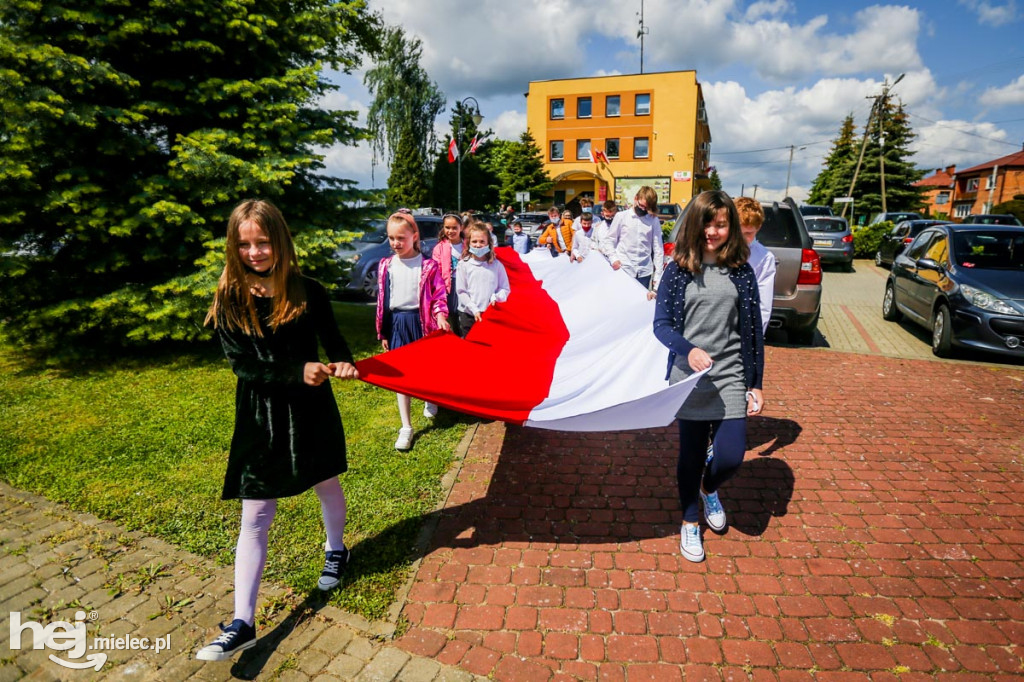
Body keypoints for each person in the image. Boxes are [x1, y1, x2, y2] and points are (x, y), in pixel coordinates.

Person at [198, 199, 360, 661]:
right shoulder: (229, 296)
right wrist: (295, 372)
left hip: (311, 413)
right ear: (234, 246)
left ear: (280, 240)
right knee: (254, 515)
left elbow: (336, 344)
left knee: (325, 482)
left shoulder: (309, 290)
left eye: (263, 241)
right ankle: (242, 622)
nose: (254, 252)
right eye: (245, 244)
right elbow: (242, 365)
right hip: (260, 418)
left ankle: (336, 551)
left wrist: (343, 364)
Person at [652, 190, 765, 563]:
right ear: (695, 224)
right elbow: (662, 325)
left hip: (731, 373)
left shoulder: (741, 271)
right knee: (691, 452)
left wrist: (756, 382)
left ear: (730, 226)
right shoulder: (679, 269)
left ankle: (709, 487)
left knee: (731, 456)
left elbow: (752, 332)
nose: (713, 232)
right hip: (689, 378)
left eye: (721, 224)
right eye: (707, 224)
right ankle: (688, 522)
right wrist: (689, 350)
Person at [375, 211, 450, 449]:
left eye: (401, 238)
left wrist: (440, 316)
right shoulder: (385, 265)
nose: (395, 243)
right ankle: (406, 427)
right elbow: (382, 299)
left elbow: (439, 295)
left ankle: (430, 397)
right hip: (398, 323)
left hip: (422, 323)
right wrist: (384, 331)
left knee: (426, 368)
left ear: (414, 236)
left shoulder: (428, 266)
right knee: (401, 377)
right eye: (391, 238)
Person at [605, 186, 664, 298]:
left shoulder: (653, 220)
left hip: (644, 272)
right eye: (641, 205)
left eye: (646, 208)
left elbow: (658, 250)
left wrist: (657, 279)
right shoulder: (621, 217)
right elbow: (609, 240)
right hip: (623, 269)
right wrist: (613, 258)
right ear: (635, 198)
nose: (642, 209)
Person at [456, 222, 510, 337]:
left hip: (490, 314)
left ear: (488, 243)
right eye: (474, 241)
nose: (478, 245)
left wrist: (496, 297)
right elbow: (461, 291)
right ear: (468, 243)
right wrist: (473, 309)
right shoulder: (463, 265)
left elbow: (504, 288)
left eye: (482, 241)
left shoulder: (496, 265)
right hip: (469, 315)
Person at [734, 197, 775, 335]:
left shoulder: (764, 258)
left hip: (743, 327)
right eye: (738, 232)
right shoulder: (715, 249)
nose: (742, 238)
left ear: (758, 228)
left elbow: (763, 304)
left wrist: (754, 337)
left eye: (748, 233)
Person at [432, 213, 465, 336]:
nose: (450, 231)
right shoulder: (439, 248)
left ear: (461, 227)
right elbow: (437, 271)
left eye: (454, 228)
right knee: (453, 312)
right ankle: (458, 336)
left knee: (465, 313)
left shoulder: (468, 244)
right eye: (447, 227)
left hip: (466, 284)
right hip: (449, 286)